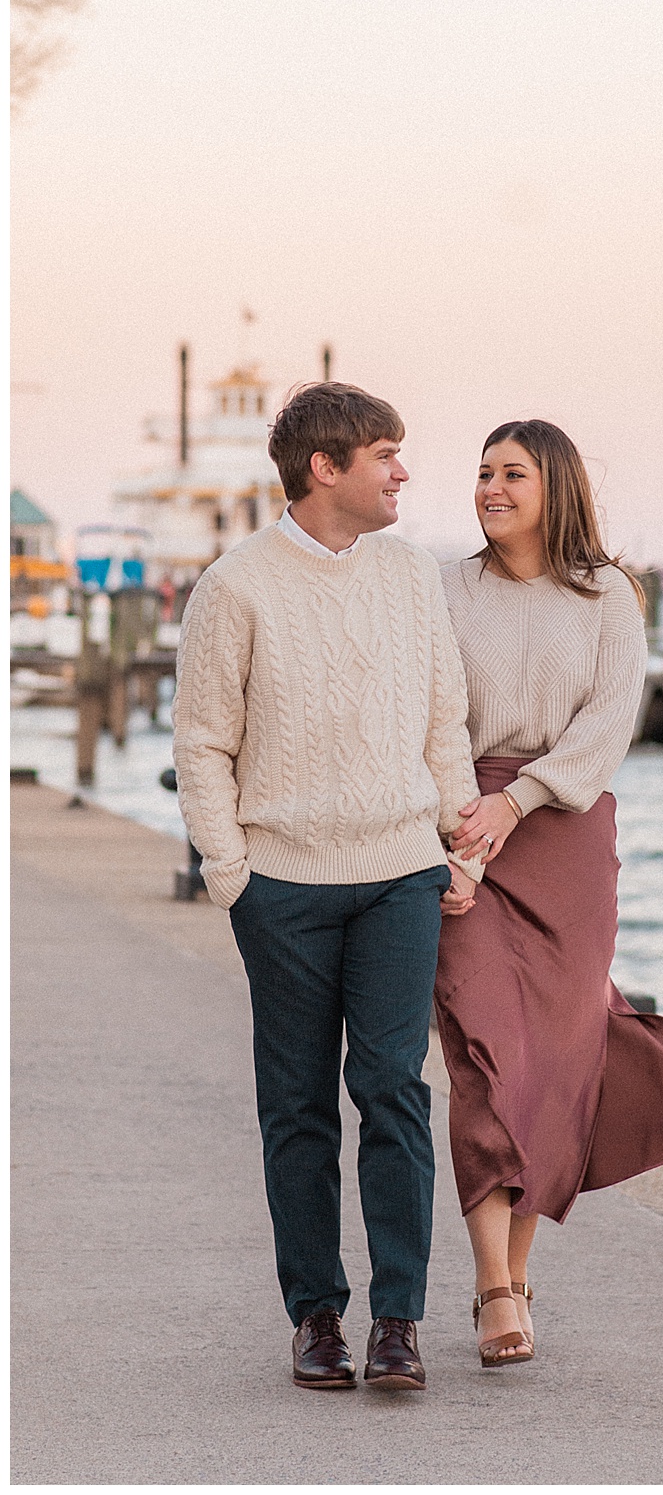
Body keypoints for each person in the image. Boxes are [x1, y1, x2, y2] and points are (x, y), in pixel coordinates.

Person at [174, 382, 485, 1392]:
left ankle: (398, 1319)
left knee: (392, 1089)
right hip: (285, 887)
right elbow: (204, 745)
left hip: (400, 873)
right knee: (299, 1106)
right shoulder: (236, 586)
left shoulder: (410, 575)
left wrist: (460, 842)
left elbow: (446, 719)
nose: (403, 472)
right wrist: (233, 875)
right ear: (326, 469)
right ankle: (316, 1314)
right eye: (385, 455)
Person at [434, 419, 663, 1367]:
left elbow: (604, 727)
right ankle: (494, 1284)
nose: (490, 488)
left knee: (554, 1057)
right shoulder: (445, 589)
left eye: (510, 473)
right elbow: (428, 717)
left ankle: (515, 1267)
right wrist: (464, 827)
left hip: (566, 840)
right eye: (481, 473)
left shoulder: (607, 599)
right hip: (463, 829)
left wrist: (525, 799)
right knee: (480, 1052)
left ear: (554, 485)